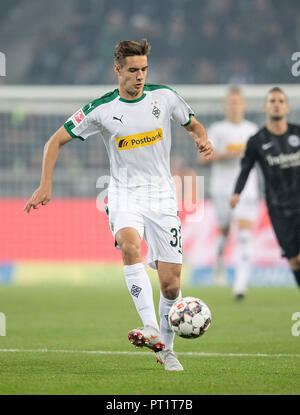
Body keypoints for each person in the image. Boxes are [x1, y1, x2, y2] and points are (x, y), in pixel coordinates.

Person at [24, 39, 213, 371]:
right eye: (132, 70)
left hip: (162, 197)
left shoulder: (164, 97)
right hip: (125, 194)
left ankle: (165, 351)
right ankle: (150, 326)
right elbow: (55, 139)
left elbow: (193, 124)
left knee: (171, 284)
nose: (139, 76)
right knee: (129, 245)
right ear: (117, 69)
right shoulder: (101, 109)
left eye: (144, 70)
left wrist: (201, 138)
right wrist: (45, 184)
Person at [231, 87, 300, 289]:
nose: (276, 104)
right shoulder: (257, 141)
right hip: (278, 209)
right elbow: (245, 169)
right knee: (294, 260)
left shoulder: (298, 133)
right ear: (265, 107)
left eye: (280, 101)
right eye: (272, 101)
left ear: (286, 107)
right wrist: (236, 192)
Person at [199, 87, 258, 299]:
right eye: (231, 103)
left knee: (244, 235)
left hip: (246, 189)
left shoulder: (252, 130)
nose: (235, 106)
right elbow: (203, 158)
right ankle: (220, 261)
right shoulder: (217, 130)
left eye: (238, 102)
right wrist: (229, 153)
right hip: (222, 189)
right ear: (226, 106)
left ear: (244, 105)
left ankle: (240, 286)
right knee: (224, 231)